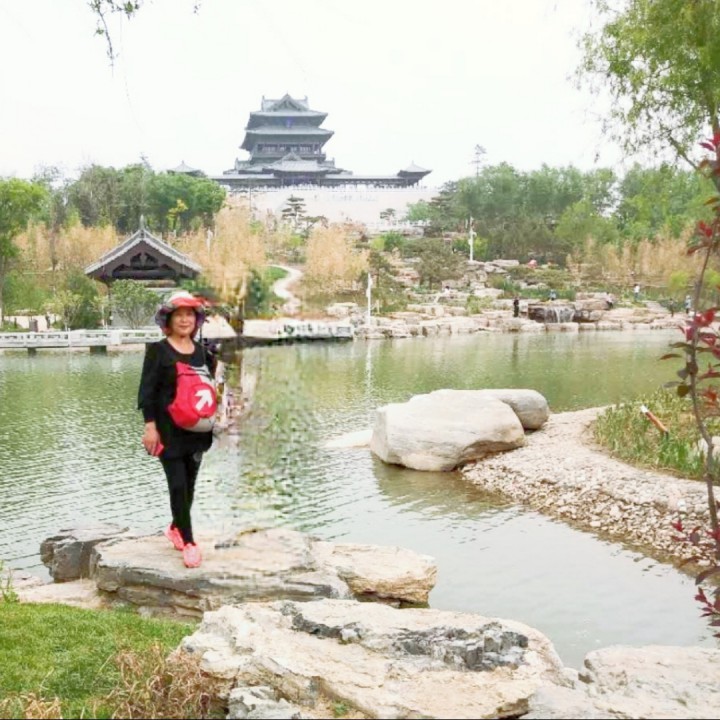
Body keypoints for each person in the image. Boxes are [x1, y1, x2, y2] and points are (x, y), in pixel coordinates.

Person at [137, 291, 216, 569]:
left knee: (190, 486)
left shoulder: (203, 352)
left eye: (189, 315)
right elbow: (147, 392)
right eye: (179, 315)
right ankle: (189, 542)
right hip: (168, 431)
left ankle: (175, 528)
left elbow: (210, 387)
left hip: (197, 431)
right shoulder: (158, 351)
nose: (184, 320)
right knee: (178, 485)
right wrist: (150, 427)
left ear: (196, 321)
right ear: (168, 320)